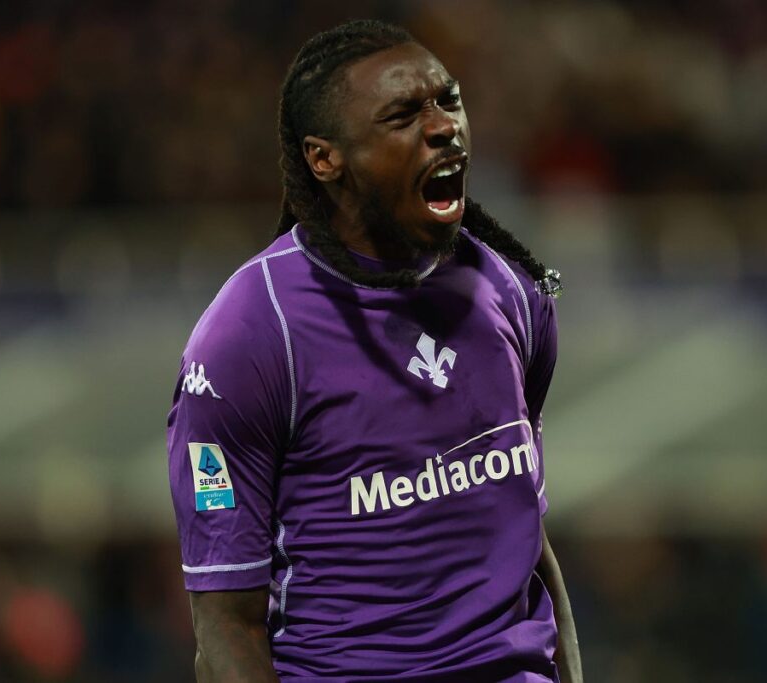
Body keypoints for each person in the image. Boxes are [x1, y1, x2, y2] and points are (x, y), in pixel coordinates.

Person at [167, 19, 582, 682]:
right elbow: (225, 623)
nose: (444, 125)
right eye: (402, 115)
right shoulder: (251, 332)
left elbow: (528, 541)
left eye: (448, 101)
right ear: (323, 158)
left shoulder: (513, 291)